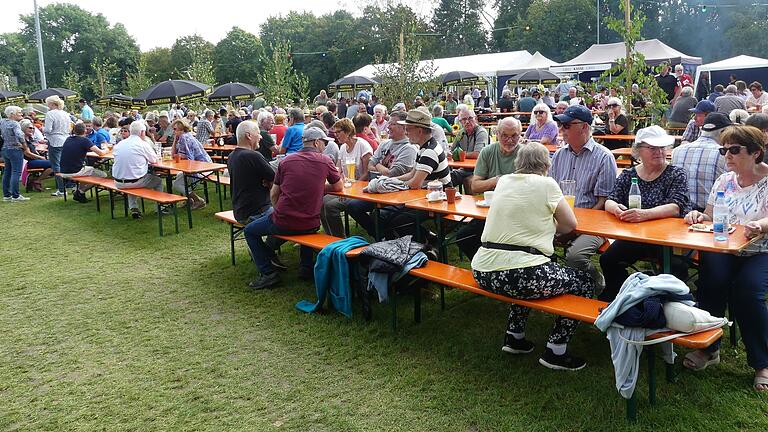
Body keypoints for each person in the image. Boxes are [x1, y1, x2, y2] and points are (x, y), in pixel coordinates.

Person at [471, 141, 596, 371]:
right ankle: (556, 351)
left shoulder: (504, 181)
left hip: (482, 270)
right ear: (546, 165)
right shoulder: (547, 184)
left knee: (529, 270)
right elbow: (570, 224)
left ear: (518, 163)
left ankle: (514, 337)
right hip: (521, 275)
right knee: (584, 282)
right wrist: (551, 229)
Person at [682, 125, 768, 392]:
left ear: (755, 153)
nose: (727, 156)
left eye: (733, 150)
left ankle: (762, 362)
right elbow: (710, 214)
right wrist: (698, 216)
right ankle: (709, 349)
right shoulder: (724, 180)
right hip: (724, 247)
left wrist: (761, 226)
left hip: (761, 249)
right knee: (711, 281)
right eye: (723, 150)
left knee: (748, 291)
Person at [599, 126, 691, 301]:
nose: (659, 152)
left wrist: (644, 214)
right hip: (635, 235)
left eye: (662, 147)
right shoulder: (629, 174)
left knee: (673, 266)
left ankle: (666, 303)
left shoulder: (676, 174)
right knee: (608, 259)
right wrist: (617, 209)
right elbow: (610, 199)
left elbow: (675, 206)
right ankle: (620, 295)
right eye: (653, 148)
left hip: (668, 238)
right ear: (638, 151)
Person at [243, 127, 342, 290]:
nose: (324, 146)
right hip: (311, 222)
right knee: (306, 229)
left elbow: (274, 193)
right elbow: (338, 186)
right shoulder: (325, 160)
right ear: (317, 142)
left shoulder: (286, 161)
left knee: (250, 231)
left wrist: (277, 211)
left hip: (284, 221)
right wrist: (318, 187)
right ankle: (305, 267)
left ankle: (268, 273)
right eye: (324, 143)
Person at [551, 105, 618, 291]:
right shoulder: (558, 155)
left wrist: (574, 228)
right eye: (561, 125)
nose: (562, 129)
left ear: (585, 127)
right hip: (562, 220)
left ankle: (597, 281)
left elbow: (604, 201)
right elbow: (551, 193)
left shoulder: (604, 157)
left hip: (595, 224)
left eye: (566, 125)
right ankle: (555, 281)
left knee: (575, 257)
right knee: (532, 244)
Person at [379, 109, 451, 241]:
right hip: (428, 197)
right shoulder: (425, 147)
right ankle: (415, 242)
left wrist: (389, 184)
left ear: (419, 131)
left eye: (408, 129)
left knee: (396, 221)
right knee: (386, 216)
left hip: (438, 201)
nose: (406, 132)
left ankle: (428, 242)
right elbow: (412, 174)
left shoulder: (430, 151)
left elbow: (415, 183)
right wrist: (388, 180)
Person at [457, 117, 523, 259]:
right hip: (490, 211)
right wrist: (498, 180)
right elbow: (475, 186)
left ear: (520, 135)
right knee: (463, 237)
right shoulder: (487, 152)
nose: (509, 140)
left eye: (514, 135)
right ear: (497, 134)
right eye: (504, 135)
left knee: (504, 241)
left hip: (516, 212)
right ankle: (483, 267)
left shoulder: (525, 154)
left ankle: (498, 266)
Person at [345, 111, 417, 237]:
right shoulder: (384, 143)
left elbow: (392, 174)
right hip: (376, 189)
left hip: (395, 192)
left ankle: (388, 237)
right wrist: (378, 166)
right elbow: (369, 164)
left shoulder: (409, 148)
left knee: (379, 215)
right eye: (389, 123)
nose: (388, 127)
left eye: (393, 124)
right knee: (352, 206)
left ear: (404, 127)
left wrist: (377, 164)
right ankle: (381, 236)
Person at [319, 119, 372, 238]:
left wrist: (349, 190)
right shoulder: (343, 147)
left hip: (362, 189)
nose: (336, 135)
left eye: (338, 132)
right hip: (346, 186)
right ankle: (330, 237)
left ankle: (340, 239)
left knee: (331, 206)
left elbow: (366, 173)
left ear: (348, 131)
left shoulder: (362, 145)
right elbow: (337, 169)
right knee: (321, 202)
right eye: (335, 132)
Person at [672, 112, 729, 212]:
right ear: (723, 132)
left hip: (680, 214)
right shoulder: (725, 154)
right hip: (711, 216)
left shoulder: (677, 151)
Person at [111, 120, 163, 219]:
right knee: (158, 181)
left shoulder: (120, 144)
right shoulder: (142, 144)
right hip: (134, 181)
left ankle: (134, 208)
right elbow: (154, 159)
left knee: (131, 177)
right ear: (142, 132)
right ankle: (159, 207)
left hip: (118, 182)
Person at [228, 120, 275, 225]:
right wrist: (268, 182)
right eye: (258, 133)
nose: (261, 137)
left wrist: (268, 180)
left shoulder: (232, 156)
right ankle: (270, 242)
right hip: (258, 212)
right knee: (290, 217)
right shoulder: (253, 156)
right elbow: (277, 179)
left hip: (240, 212)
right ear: (249, 136)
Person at [58, 122, 109, 203]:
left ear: (74, 131)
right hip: (75, 171)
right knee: (103, 175)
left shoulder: (68, 139)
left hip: (63, 170)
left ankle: (79, 193)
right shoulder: (85, 140)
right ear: (85, 131)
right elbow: (101, 153)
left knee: (87, 170)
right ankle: (80, 192)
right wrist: (107, 149)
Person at [171, 119, 211, 210]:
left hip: (203, 168)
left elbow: (181, 156)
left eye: (175, 129)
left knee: (177, 184)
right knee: (178, 178)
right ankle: (190, 200)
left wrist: (175, 155)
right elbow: (175, 155)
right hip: (200, 165)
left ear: (181, 129)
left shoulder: (184, 138)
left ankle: (198, 200)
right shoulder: (183, 137)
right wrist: (174, 140)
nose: (173, 131)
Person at [450, 106, 488, 193]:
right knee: (445, 178)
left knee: (469, 181)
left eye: (470, 118)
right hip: (465, 169)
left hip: (481, 170)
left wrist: (459, 154)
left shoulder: (481, 132)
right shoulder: (461, 133)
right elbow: (452, 150)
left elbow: (477, 154)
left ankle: (470, 206)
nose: (467, 122)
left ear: (476, 119)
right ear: (460, 122)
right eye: (464, 119)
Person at [43, 95, 72, 197]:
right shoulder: (65, 114)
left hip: (55, 141)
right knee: (64, 164)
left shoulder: (50, 114)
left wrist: (42, 128)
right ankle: (69, 185)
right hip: (65, 140)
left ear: (52, 104)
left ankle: (61, 189)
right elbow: (69, 128)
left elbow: (48, 129)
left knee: (56, 166)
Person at [1, 106, 31, 202]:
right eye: (19, 112)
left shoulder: (2, 122)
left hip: (5, 149)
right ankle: (16, 196)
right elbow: (20, 135)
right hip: (14, 149)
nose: (21, 114)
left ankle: (7, 195)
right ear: (12, 114)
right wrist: (25, 146)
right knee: (16, 172)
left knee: (7, 172)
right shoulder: (15, 124)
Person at [19, 119, 53, 192]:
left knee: (54, 165)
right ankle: (37, 181)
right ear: (24, 128)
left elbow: (32, 151)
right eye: (30, 128)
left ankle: (35, 180)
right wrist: (40, 157)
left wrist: (38, 152)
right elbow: (27, 153)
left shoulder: (30, 138)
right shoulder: (22, 139)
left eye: (33, 128)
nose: (32, 129)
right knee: (54, 164)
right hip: (27, 162)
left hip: (34, 160)